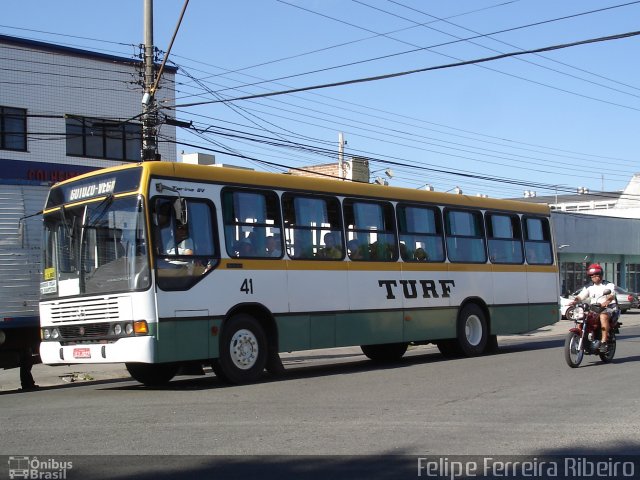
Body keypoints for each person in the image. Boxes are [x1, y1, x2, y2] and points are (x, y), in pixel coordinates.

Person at [570, 263, 617, 352]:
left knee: (603, 316)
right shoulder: (589, 286)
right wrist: (575, 301)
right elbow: (581, 296)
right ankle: (581, 339)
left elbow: (611, 295)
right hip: (594, 309)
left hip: (608, 308)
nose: (594, 276)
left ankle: (603, 342)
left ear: (601, 274)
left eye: (596, 274)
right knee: (582, 317)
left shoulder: (608, 285)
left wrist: (607, 301)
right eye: (592, 275)